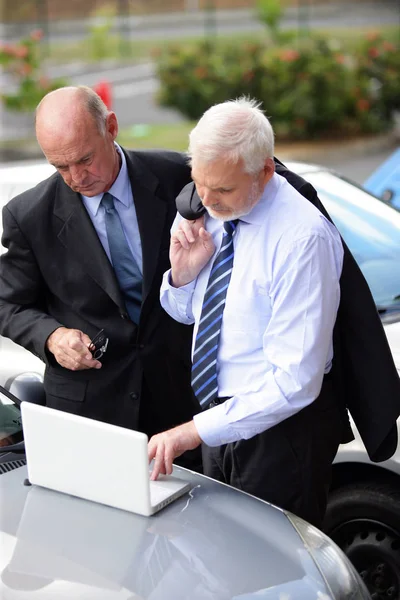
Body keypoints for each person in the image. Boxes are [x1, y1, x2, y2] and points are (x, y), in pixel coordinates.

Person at [148, 97, 400, 528]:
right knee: (226, 559)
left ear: (265, 171)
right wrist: (182, 277)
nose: (207, 200)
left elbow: (294, 383)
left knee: (275, 580)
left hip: (283, 435)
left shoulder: (302, 238)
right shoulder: (205, 210)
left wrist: (193, 431)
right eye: (199, 182)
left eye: (223, 189)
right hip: (220, 419)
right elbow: (190, 316)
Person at [0, 86, 201, 471]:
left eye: (85, 159)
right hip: (91, 418)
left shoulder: (180, 176)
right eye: (60, 167)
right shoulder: (28, 216)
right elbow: (7, 303)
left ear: (111, 126)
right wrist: (51, 336)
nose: (76, 177)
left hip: (185, 402)